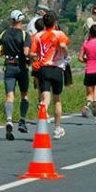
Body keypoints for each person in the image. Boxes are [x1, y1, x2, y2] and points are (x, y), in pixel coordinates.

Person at [30, 11, 70, 139]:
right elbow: (64, 45)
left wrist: (37, 59)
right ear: (55, 22)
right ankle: (57, 128)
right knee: (57, 100)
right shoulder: (59, 34)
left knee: (45, 98)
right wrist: (65, 53)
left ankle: (43, 109)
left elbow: (31, 54)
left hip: (43, 69)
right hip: (57, 69)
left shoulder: (37, 36)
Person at [0, 10, 31, 140]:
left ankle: (9, 120)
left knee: (10, 95)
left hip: (9, 66)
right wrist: (33, 55)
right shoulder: (24, 35)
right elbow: (26, 52)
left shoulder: (3, 34)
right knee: (24, 95)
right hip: (21, 67)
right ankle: (22, 120)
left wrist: (6, 50)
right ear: (21, 20)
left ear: (11, 20)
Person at [78, 24, 96, 124]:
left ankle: (89, 103)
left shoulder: (86, 43)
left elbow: (80, 58)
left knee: (90, 93)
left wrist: (87, 60)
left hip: (89, 71)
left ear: (90, 33)